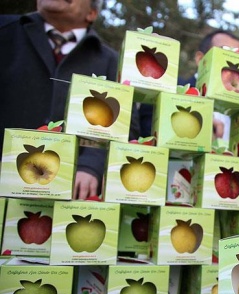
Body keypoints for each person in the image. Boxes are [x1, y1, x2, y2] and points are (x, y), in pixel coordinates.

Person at [0, 0, 138, 200]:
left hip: (70, 201)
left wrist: (92, 165)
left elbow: (125, 128)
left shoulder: (111, 62)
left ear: (91, 13)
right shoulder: (5, 31)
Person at [137, 29, 239, 138]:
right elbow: (146, 132)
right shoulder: (167, 89)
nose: (233, 61)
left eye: (238, 56)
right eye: (224, 52)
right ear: (201, 59)